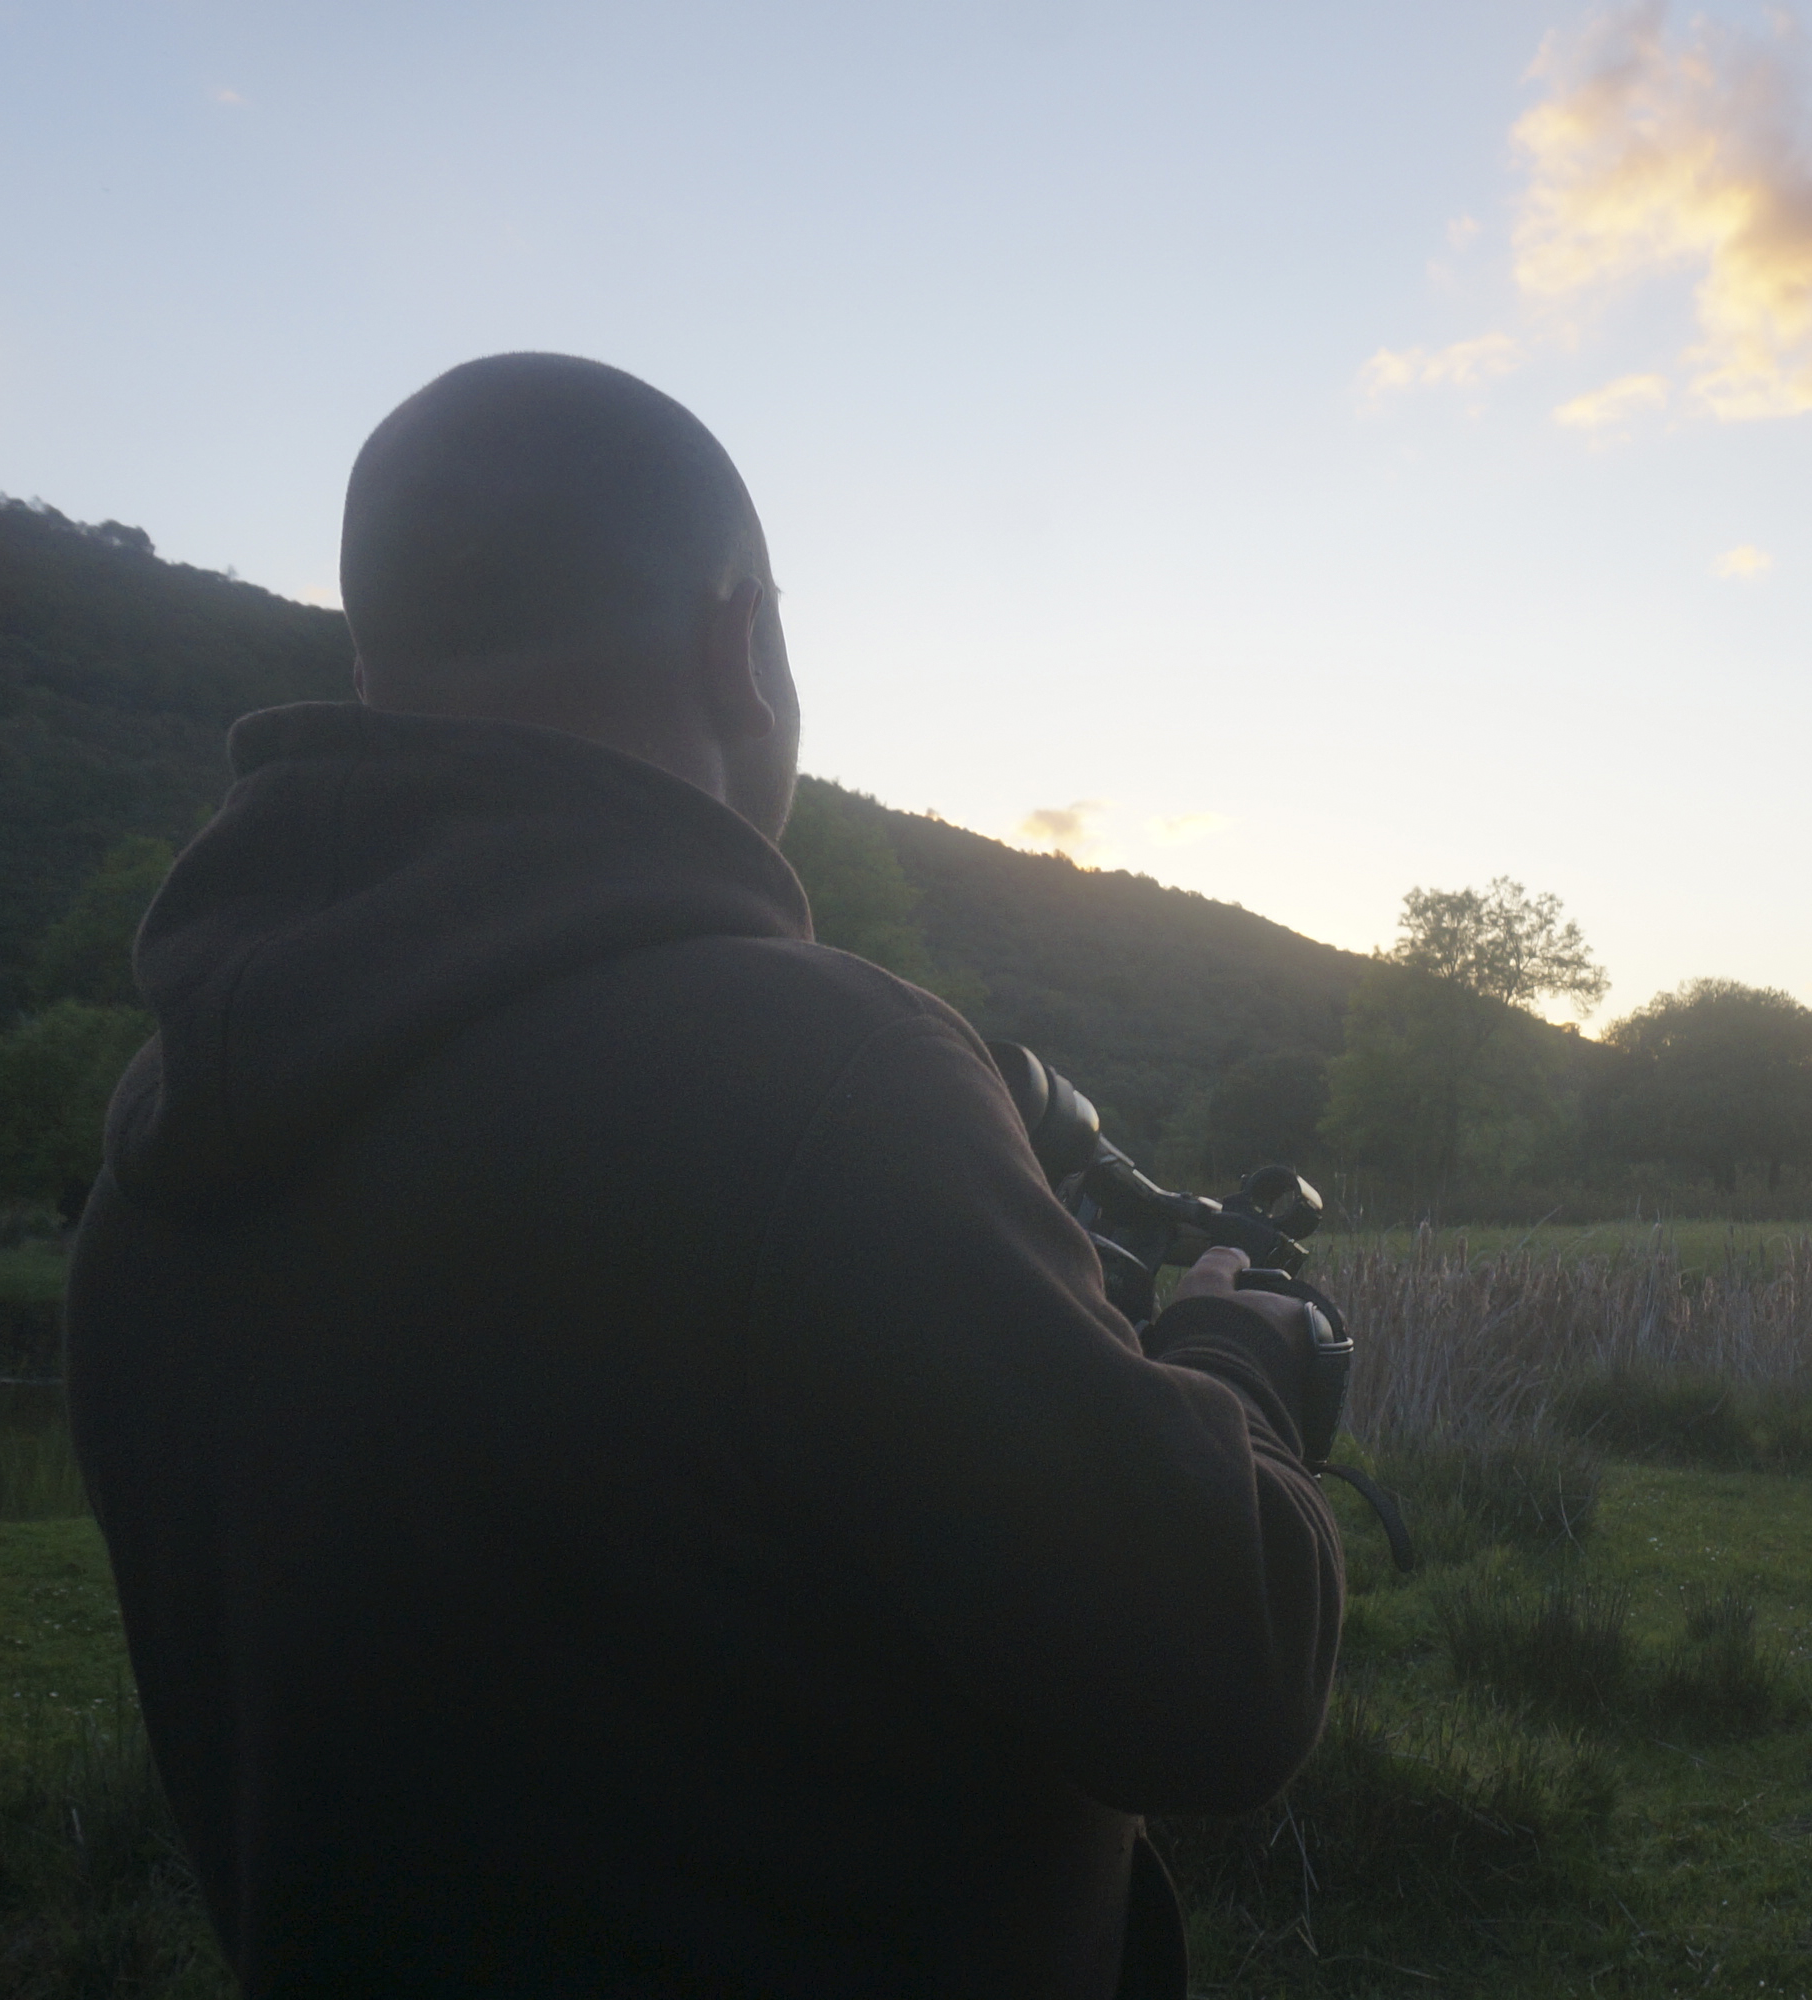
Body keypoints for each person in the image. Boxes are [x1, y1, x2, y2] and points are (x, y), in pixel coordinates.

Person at [65, 353, 1342, 1997]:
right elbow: (1211, 1683)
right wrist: (1233, 1357)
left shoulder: (157, 1159)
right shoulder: (814, 1074)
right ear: (743, 643)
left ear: (377, 666)